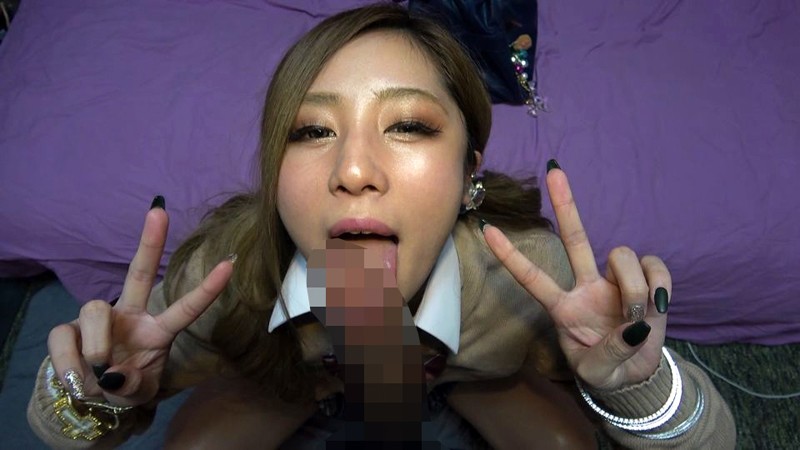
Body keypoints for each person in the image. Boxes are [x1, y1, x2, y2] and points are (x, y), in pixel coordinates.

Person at [28, 4, 736, 449]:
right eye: (311, 131)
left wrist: (636, 385)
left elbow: (710, 441)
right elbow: (78, 423)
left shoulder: (528, 272)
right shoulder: (221, 274)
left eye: (408, 126)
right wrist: (87, 398)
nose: (354, 168)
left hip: (467, 381)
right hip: (293, 386)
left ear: (468, 172)